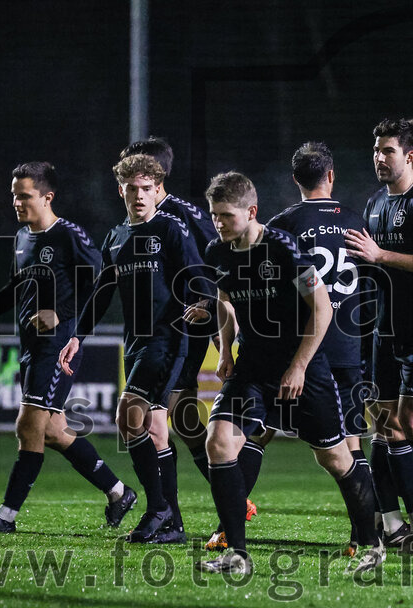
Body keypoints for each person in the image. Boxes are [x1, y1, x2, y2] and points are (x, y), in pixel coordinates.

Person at [194, 171, 383, 575]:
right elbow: (224, 301)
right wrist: (226, 349)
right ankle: (237, 555)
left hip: (303, 368)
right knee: (219, 441)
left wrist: (298, 366)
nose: (219, 223)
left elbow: (323, 308)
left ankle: (371, 542)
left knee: (335, 456)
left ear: (252, 211)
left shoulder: (282, 247)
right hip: (252, 366)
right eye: (214, 215)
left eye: (227, 215)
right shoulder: (218, 251)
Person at [0, 162, 136, 534]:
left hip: (59, 348)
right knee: (52, 432)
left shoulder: (68, 236)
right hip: (31, 348)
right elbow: (15, 288)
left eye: (25, 195)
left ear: (47, 197)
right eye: (14, 195)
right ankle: (119, 492)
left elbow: (100, 283)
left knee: (28, 425)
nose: (17, 202)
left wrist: (61, 314)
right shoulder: (22, 238)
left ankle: (5, 517)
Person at [58, 154, 212, 543]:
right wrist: (78, 335)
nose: (140, 195)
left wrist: (205, 302)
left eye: (147, 188)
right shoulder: (116, 236)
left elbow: (200, 275)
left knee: (128, 418)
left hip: (168, 340)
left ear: (158, 189)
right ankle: (172, 522)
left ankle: (156, 507)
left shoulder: (171, 229)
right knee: (154, 431)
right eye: (132, 189)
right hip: (136, 344)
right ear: (121, 190)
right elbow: (102, 291)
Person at [118, 137, 256, 549]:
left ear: (158, 181)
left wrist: (216, 319)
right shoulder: (146, 220)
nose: (134, 189)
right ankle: (220, 499)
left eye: (142, 181)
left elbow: (213, 264)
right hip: (176, 329)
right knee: (183, 422)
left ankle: (172, 513)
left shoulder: (178, 217)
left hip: (185, 330)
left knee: (160, 421)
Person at [345, 118, 413, 555]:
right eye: (376, 150)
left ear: (410, 156)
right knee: (387, 428)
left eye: (387, 150)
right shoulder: (374, 204)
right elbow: (375, 268)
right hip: (384, 329)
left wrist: (380, 253)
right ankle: (407, 524)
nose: (379, 157)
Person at [262, 141, 374, 556]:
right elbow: (375, 278)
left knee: (261, 429)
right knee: (353, 439)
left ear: (296, 180)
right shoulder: (356, 220)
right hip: (350, 344)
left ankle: (228, 524)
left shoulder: (284, 223)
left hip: (303, 347)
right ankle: (363, 532)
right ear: (331, 175)